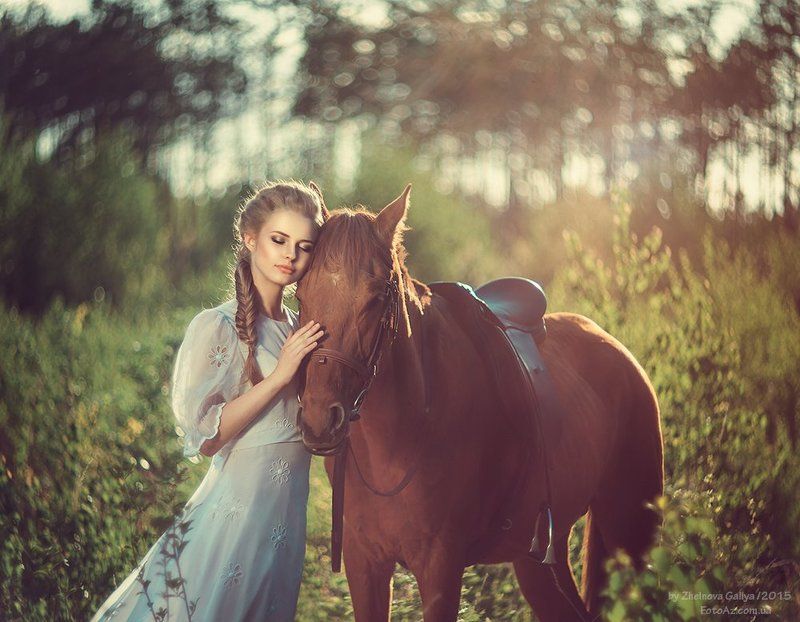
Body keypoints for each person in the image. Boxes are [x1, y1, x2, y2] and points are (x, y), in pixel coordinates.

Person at [92, 180, 327, 622]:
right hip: (234, 520)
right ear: (251, 238)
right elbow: (209, 437)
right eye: (279, 240)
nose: (290, 255)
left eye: (304, 246)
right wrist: (281, 376)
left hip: (286, 525)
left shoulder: (302, 329)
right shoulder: (217, 326)